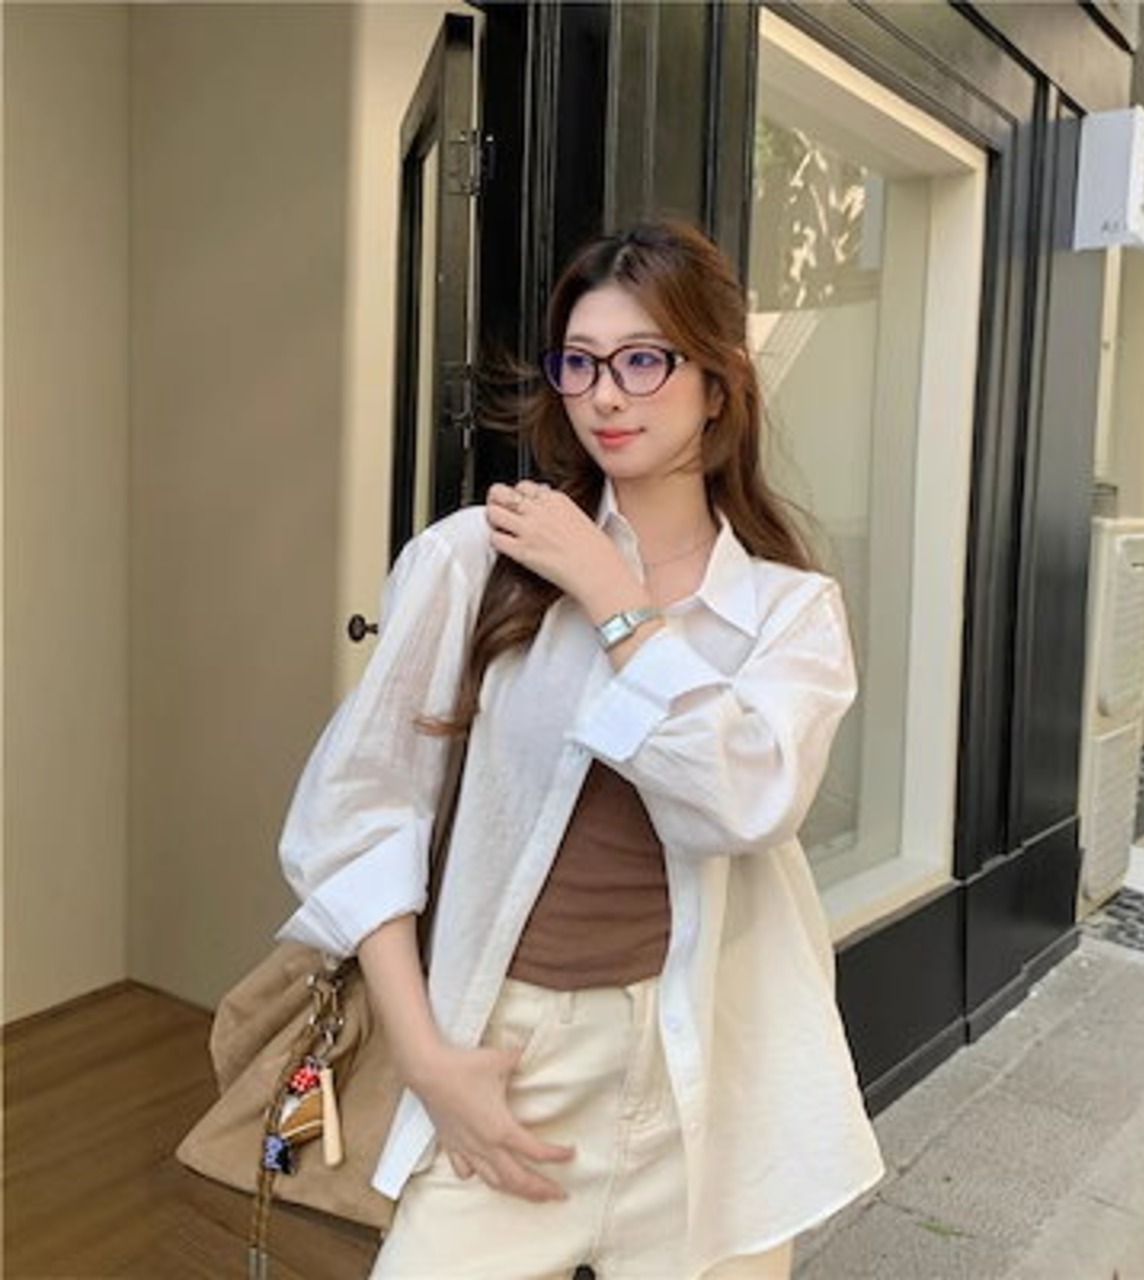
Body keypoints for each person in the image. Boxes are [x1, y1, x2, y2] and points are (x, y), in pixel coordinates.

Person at [276, 219, 884, 1279]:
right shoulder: (475, 559)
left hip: (708, 1068)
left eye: (643, 361)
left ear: (717, 384)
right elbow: (361, 810)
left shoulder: (789, 611)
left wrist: (611, 594)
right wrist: (427, 1059)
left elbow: (744, 802)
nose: (605, 395)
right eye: (580, 362)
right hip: (511, 1057)